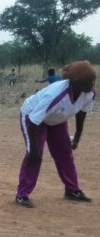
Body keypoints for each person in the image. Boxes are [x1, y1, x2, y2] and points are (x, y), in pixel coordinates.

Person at [15, 61, 95, 208]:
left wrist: (76, 137)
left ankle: (72, 190)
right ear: (75, 82)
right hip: (33, 116)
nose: (91, 84)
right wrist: (34, 148)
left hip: (56, 119)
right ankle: (22, 194)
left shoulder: (88, 93)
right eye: (88, 81)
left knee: (65, 153)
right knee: (34, 156)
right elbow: (34, 121)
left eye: (93, 80)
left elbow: (81, 115)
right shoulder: (57, 95)